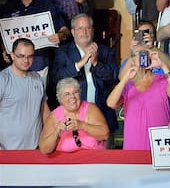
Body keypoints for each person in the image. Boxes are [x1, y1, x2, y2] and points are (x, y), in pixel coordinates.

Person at [51, 13, 119, 148]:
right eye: (80, 28)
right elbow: (57, 78)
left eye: (88, 28)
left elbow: (113, 77)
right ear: (73, 32)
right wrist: (79, 64)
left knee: (107, 163)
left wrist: (95, 63)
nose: (84, 32)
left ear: (93, 31)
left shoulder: (105, 51)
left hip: (102, 117)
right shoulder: (63, 52)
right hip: (73, 119)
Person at [1, 0, 70, 86]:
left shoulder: (46, 5)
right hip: (16, 67)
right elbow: (4, 36)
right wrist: (5, 49)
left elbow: (65, 30)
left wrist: (61, 35)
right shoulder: (7, 9)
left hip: (40, 65)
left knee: (39, 101)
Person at [107, 51, 170, 150]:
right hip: (134, 144)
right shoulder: (128, 85)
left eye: (145, 55)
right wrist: (125, 78)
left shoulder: (161, 80)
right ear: (132, 61)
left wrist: (163, 66)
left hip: (159, 144)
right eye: (138, 55)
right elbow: (111, 103)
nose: (142, 58)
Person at [0, 38, 50, 149]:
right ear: (12, 55)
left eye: (30, 56)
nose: (26, 60)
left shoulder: (37, 79)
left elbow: (44, 112)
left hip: (36, 148)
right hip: (7, 151)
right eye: (21, 56)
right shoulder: (2, 79)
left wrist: (50, 137)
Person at [39, 78, 109, 154]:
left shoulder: (90, 109)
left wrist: (82, 125)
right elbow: (44, 149)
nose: (72, 97)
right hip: (65, 162)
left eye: (75, 92)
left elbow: (105, 134)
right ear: (60, 98)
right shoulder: (53, 117)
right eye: (67, 94)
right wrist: (56, 132)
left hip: (93, 159)